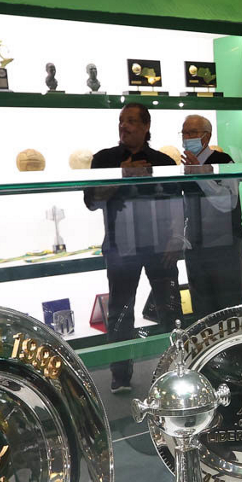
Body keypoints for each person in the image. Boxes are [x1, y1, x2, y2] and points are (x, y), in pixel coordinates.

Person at [84, 103, 181, 393]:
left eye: (131, 121)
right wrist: (122, 175)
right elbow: (92, 201)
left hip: (161, 249)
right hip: (120, 249)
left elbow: (178, 203)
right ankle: (120, 376)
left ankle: (175, 369)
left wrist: (177, 238)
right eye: (121, 120)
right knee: (120, 312)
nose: (123, 126)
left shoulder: (163, 161)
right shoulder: (104, 159)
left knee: (170, 310)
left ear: (146, 126)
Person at [179, 114, 242, 315]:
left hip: (225, 245)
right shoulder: (183, 167)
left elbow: (228, 202)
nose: (187, 137)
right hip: (195, 246)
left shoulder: (223, 161)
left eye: (192, 132)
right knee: (202, 309)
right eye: (184, 133)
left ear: (206, 137)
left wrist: (200, 175)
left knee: (230, 307)